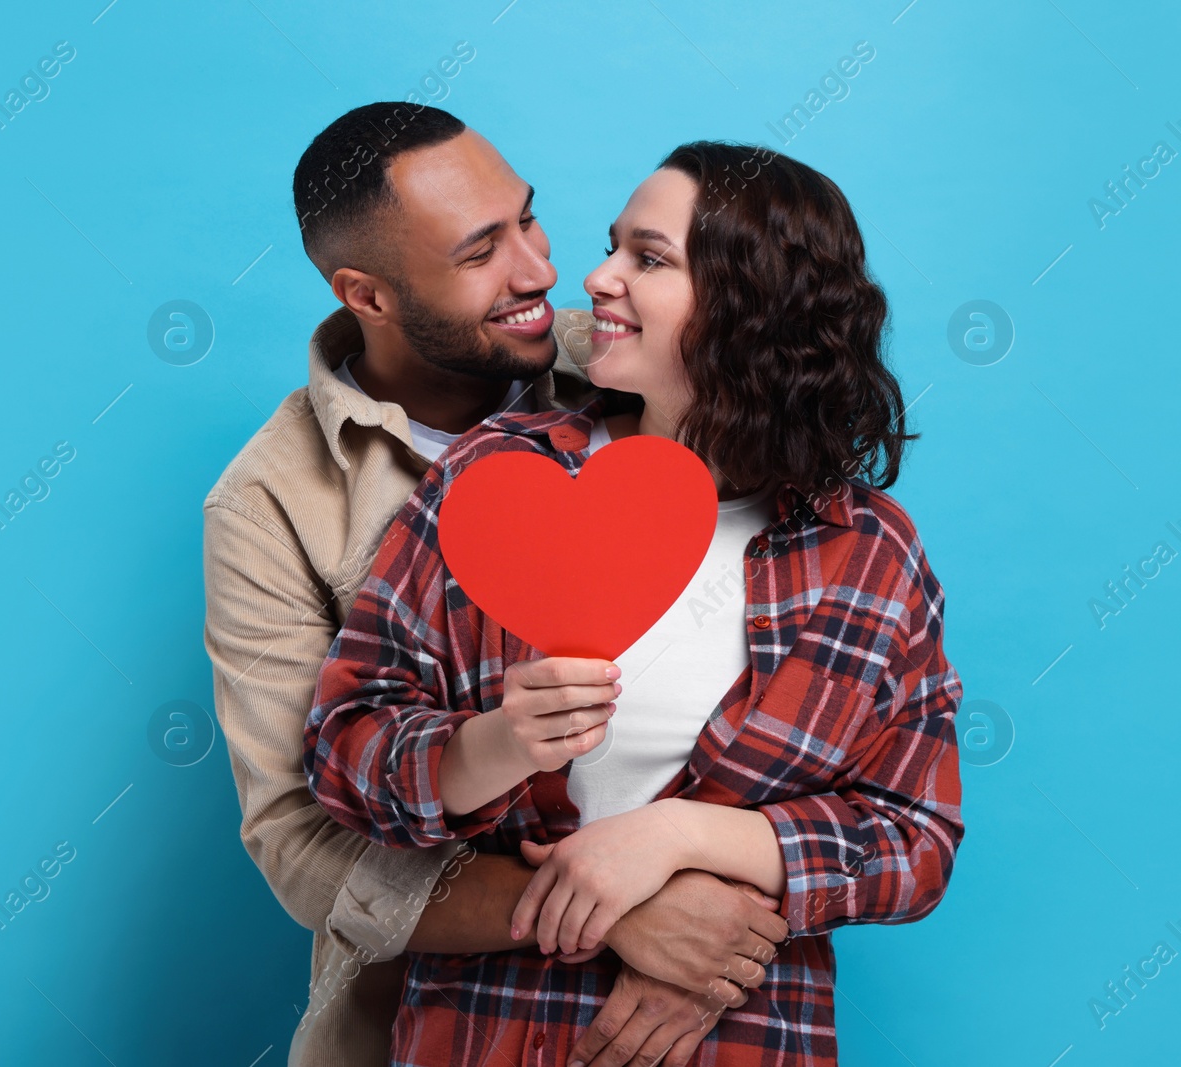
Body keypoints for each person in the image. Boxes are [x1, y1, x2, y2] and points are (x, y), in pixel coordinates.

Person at [306, 141, 965, 1066]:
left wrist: (673, 836)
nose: (595, 277)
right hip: (485, 1031)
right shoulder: (495, 478)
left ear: (749, 302)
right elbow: (340, 753)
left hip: (736, 1039)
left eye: (647, 259)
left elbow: (914, 837)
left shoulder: (867, 554)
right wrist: (492, 743)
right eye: (613, 246)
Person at [204, 106, 790, 1067]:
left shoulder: (641, 348)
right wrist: (613, 906)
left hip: (713, 1023)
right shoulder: (268, 504)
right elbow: (302, 846)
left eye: (530, 219)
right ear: (370, 294)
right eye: (482, 251)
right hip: (423, 1027)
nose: (541, 272)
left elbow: (828, 640)